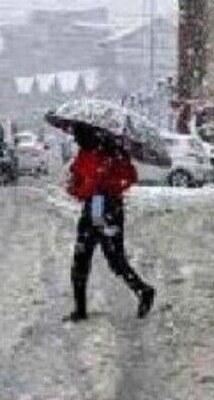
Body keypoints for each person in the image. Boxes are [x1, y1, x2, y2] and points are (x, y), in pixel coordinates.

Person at [66, 124, 155, 322]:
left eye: (78, 135)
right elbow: (76, 179)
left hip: (109, 208)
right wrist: (76, 187)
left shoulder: (115, 153)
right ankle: (80, 309)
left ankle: (143, 290)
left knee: (115, 259)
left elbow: (129, 177)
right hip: (92, 207)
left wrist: (108, 184)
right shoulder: (84, 153)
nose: (75, 139)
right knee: (80, 258)